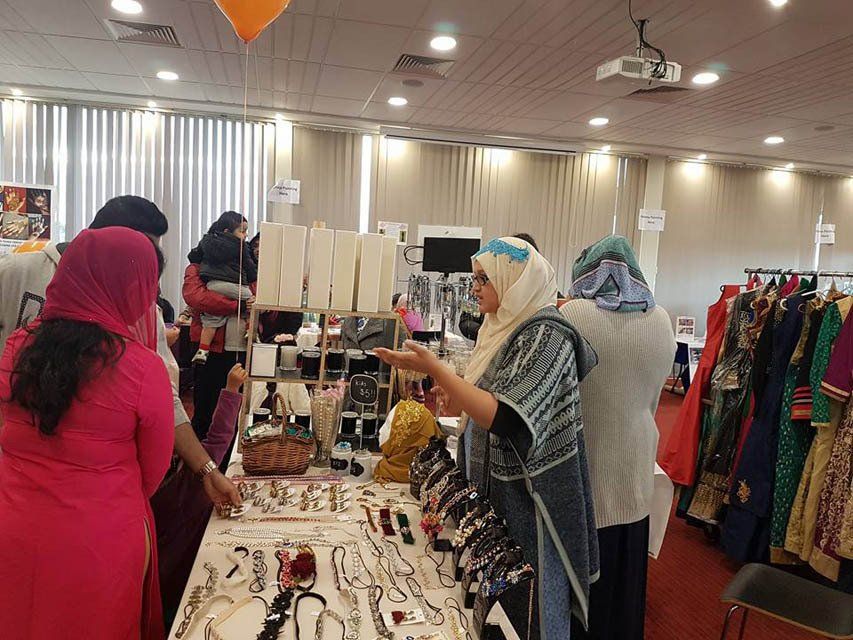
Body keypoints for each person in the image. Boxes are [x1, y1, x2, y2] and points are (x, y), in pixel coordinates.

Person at [376, 237, 599, 640]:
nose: (474, 288)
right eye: (475, 278)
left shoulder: (548, 335)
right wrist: (449, 381)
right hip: (497, 494)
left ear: (514, 281)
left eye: (484, 279)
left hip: (531, 501)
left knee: (526, 605)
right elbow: (484, 400)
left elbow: (509, 417)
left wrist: (439, 371)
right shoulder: (502, 327)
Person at [0, 195, 242, 508]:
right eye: (140, 254)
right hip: (19, 476)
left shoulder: (143, 310)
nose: (144, 272)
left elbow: (165, 402)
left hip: (95, 492)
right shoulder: (16, 272)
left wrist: (205, 467)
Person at [0, 227, 174, 639]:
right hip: (100, 542)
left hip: (14, 528)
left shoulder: (18, 346)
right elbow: (153, 469)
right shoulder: (141, 368)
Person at [560, 235, 676, 640]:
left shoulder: (572, 314)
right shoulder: (661, 320)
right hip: (638, 466)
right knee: (625, 596)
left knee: (584, 604)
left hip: (588, 472)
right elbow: (653, 397)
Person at [152, 362, 247, 621]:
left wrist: (231, 389)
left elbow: (217, 440)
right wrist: (231, 389)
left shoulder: (195, 472)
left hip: (175, 582)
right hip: (169, 584)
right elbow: (218, 439)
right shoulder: (193, 474)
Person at [188, 211, 257, 365]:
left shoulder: (206, 249)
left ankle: (202, 350)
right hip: (220, 347)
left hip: (232, 344)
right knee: (252, 300)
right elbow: (196, 298)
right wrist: (239, 306)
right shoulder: (241, 251)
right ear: (227, 232)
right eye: (242, 231)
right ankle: (249, 330)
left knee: (211, 320)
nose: (246, 236)